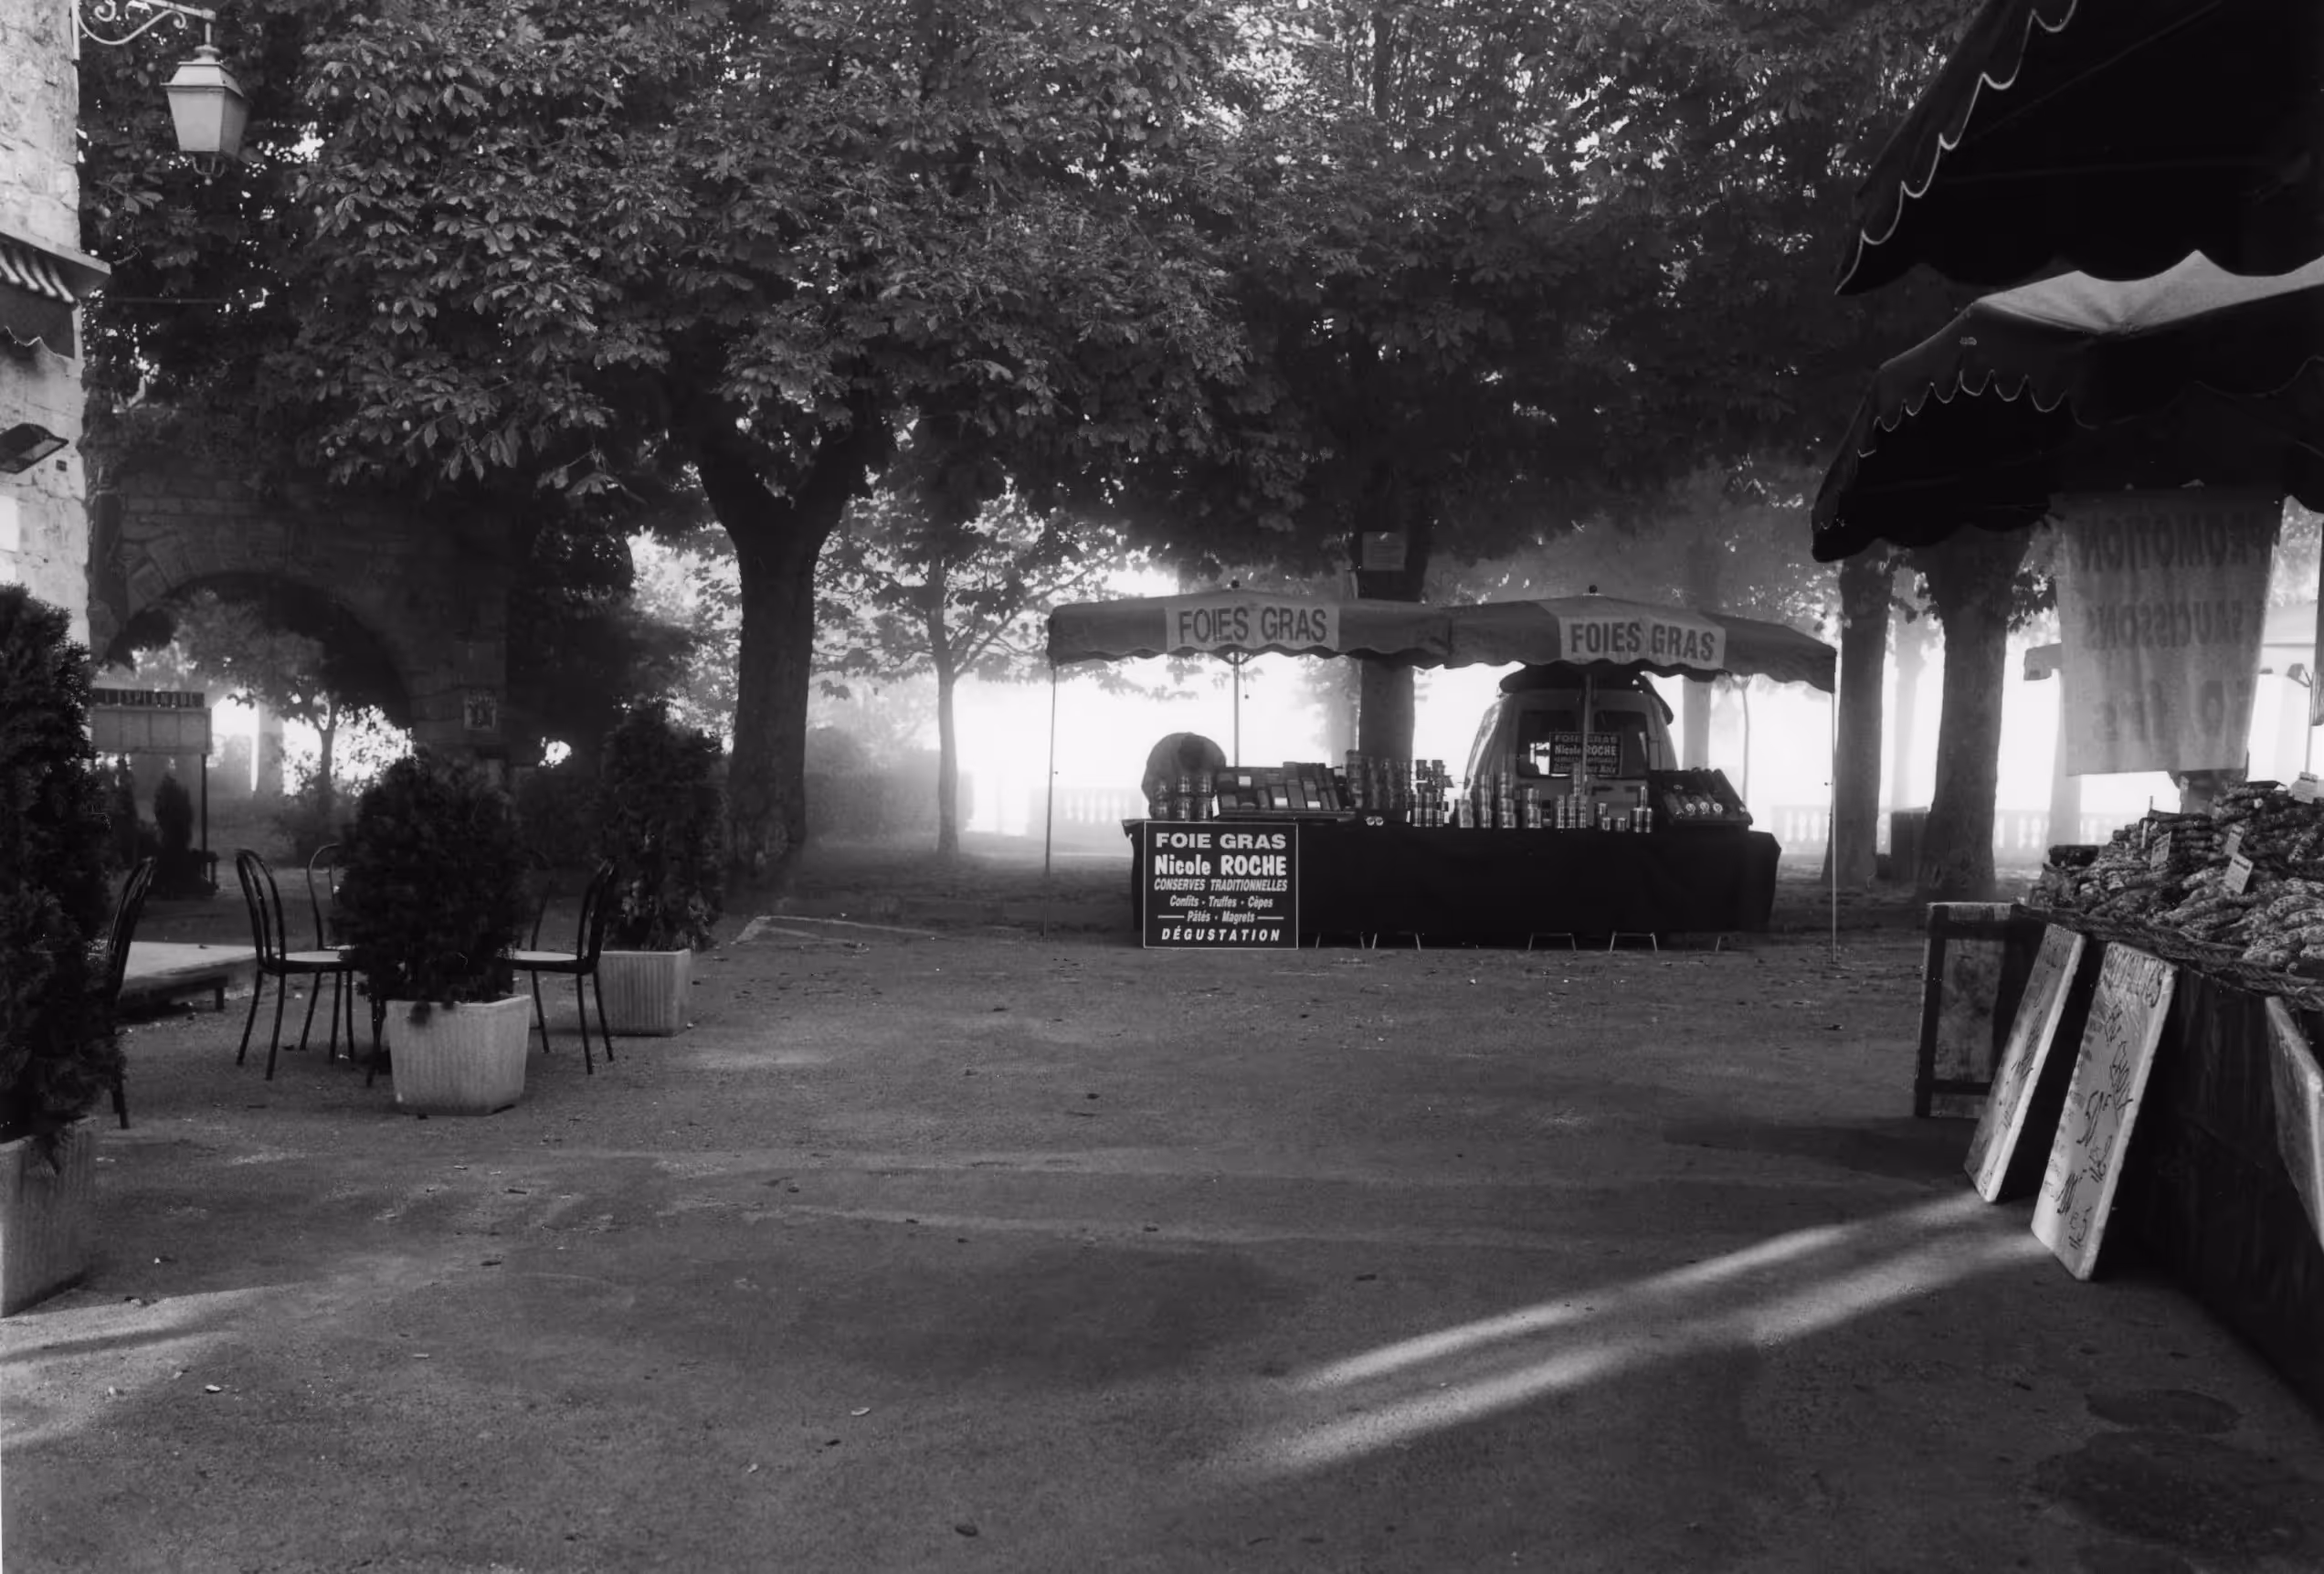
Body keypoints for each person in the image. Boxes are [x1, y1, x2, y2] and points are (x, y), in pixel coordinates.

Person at [1141, 732, 1227, 807]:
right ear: (1180, 755)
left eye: (1195, 762)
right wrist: (1163, 805)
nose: (1192, 765)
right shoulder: (1162, 754)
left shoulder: (1215, 757)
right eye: (1189, 762)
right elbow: (1147, 785)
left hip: (1200, 814)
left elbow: (1225, 790)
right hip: (1166, 812)